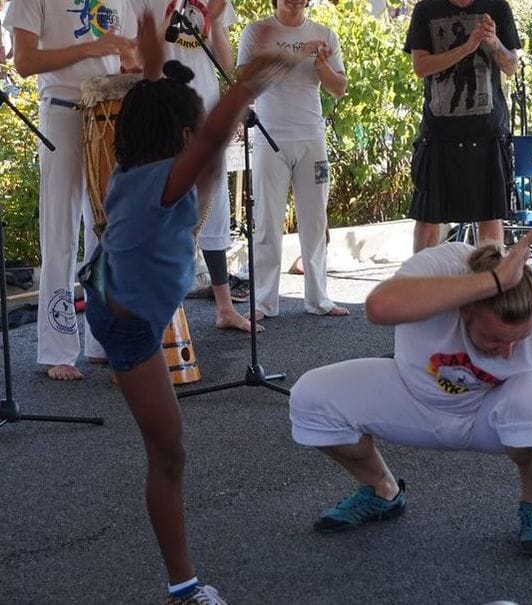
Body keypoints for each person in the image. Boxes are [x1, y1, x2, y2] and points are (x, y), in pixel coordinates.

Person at [289, 224, 532, 556]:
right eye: (495, 339)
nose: (508, 351)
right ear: (466, 309)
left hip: (492, 417)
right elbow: (378, 309)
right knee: (311, 397)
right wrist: (494, 281)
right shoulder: (443, 267)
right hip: (413, 400)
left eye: (519, 339)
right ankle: (381, 491)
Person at [79, 11, 294, 602]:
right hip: (128, 327)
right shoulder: (160, 182)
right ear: (178, 137)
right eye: (192, 126)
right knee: (169, 452)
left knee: (169, 450)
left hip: (115, 296)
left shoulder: (138, 167)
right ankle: (185, 588)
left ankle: (183, 584)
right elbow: (209, 139)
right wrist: (246, 85)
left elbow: (171, 113)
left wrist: (152, 65)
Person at [3, 0, 138, 380]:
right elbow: (24, 63)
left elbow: (125, 60)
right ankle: (57, 349)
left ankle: (104, 339)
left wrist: (132, 66)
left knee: (106, 229)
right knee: (59, 230)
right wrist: (89, 49)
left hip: (111, 111)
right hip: (61, 109)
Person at [129, 0, 260, 334]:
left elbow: (225, 63)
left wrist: (214, 20)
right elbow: (140, 58)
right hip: (165, 115)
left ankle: (225, 307)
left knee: (214, 212)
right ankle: (162, 313)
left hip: (205, 111)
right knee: (168, 210)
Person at [237, 0, 349, 319]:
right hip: (270, 136)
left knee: (315, 221)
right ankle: (263, 302)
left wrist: (322, 67)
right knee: (267, 223)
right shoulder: (257, 32)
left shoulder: (324, 32)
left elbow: (339, 87)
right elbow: (248, 80)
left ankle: (319, 299)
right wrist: (298, 53)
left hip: (311, 136)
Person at [405, 0, 521, 252]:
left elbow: (511, 66)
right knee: (427, 215)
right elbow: (420, 66)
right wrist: (467, 48)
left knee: (490, 214)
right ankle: (421, 284)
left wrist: (493, 41)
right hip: (439, 131)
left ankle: (490, 284)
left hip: (487, 130)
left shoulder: (497, 7)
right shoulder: (426, 9)